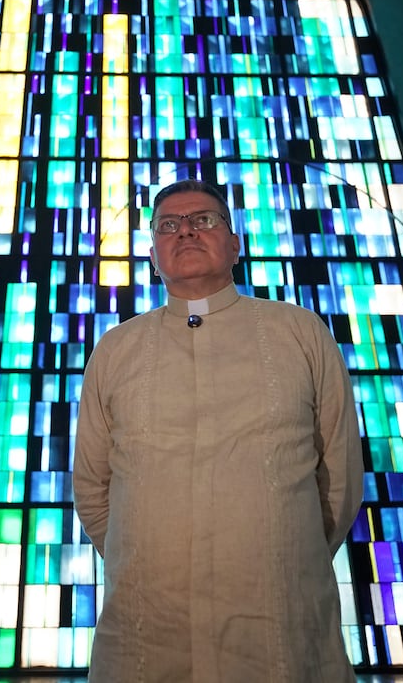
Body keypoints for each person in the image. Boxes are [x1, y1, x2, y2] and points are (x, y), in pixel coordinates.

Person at [73, 178, 364, 682]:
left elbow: (338, 478)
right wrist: (146, 550)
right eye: (169, 225)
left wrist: (281, 548)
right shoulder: (116, 349)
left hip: (279, 625)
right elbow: (93, 488)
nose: (185, 232)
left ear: (235, 244)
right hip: (148, 628)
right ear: (153, 253)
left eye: (203, 220)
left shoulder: (299, 332)